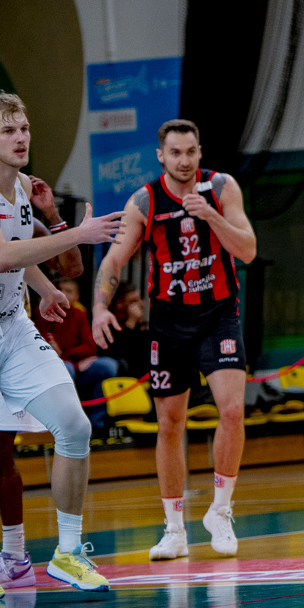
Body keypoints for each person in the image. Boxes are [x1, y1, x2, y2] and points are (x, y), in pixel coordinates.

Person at [92, 118, 258, 560]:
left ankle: (220, 512)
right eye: (175, 153)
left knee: (233, 410)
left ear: (200, 153)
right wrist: (100, 307)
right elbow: (113, 261)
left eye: (190, 152)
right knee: (169, 424)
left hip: (218, 314)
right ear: (161, 157)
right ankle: (174, 529)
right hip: (168, 322)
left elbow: (247, 250)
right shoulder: (144, 201)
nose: (184, 161)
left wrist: (211, 217)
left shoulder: (221, 188)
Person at [0, 92, 122, 596]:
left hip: (13, 326)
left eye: (24, 128)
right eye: (8, 130)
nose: (20, 138)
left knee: (74, 425)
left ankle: (67, 553)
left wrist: (43, 289)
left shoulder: (24, 187)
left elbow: (21, 256)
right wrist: (78, 233)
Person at [0, 175, 84, 590]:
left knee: (3, 451)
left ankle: (18, 553)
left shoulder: (21, 201)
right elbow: (1, 255)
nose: (21, 143)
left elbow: (70, 266)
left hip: (12, 333)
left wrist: (53, 215)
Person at [41, 279, 118, 428]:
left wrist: (65, 353)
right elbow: (43, 348)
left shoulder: (79, 314)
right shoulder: (43, 312)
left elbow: (90, 348)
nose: (62, 294)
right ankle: (67, 422)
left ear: (77, 297)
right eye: (59, 289)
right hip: (54, 366)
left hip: (76, 364)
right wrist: (68, 359)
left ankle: (97, 422)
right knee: (67, 368)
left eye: (68, 291)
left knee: (108, 365)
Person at [99, 286, 151, 375]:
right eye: (133, 301)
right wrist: (131, 323)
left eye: (140, 299)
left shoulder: (141, 328)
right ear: (119, 305)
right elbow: (119, 355)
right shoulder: (107, 326)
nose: (141, 304)